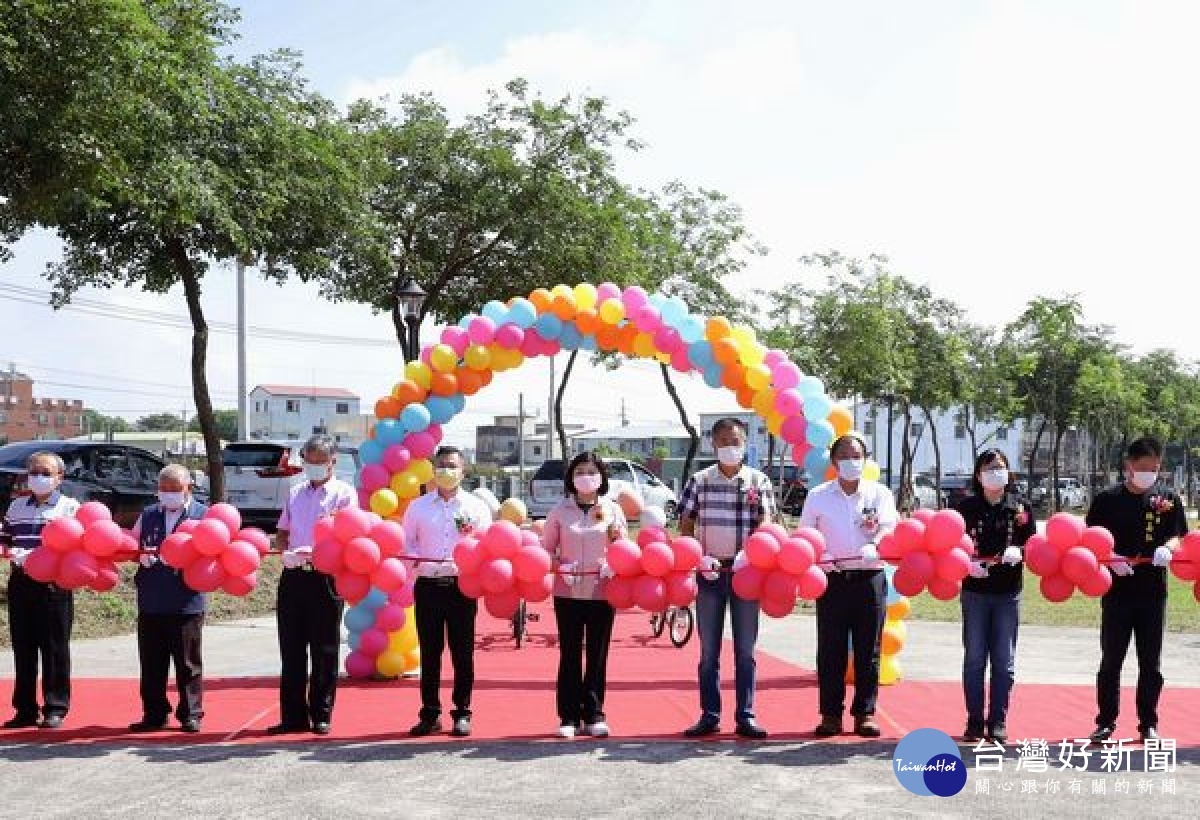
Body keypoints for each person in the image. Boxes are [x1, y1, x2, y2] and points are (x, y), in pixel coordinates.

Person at [678, 417, 778, 739]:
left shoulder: (758, 481)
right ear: (713, 444)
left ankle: (745, 716)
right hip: (709, 573)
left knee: (746, 650)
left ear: (745, 443)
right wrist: (698, 556)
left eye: (736, 441)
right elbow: (686, 523)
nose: (730, 448)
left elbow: (766, 522)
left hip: (746, 573)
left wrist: (750, 554)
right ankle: (709, 714)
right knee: (709, 651)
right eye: (724, 441)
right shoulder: (700, 480)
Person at [1085, 436, 1187, 743]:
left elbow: (1179, 535)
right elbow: (1089, 538)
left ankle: (1148, 723)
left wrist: (1168, 549)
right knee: (1112, 659)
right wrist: (1111, 558)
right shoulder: (1107, 499)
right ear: (1129, 466)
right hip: (1117, 591)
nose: (1150, 473)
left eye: (1155, 467)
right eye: (1143, 467)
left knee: (1150, 663)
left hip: (1153, 592)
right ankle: (1105, 722)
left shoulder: (1168, 497)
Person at [799, 432, 898, 738]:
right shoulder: (818, 495)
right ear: (833, 462)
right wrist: (822, 553)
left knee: (870, 649)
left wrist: (878, 544)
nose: (851, 462)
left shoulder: (879, 494)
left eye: (856, 457)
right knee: (831, 649)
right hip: (832, 580)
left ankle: (864, 714)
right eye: (844, 456)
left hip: (869, 578)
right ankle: (830, 714)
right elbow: (805, 532)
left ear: (865, 460)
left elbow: (890, 525)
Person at [268, 434, 357, 736]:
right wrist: (284, 553)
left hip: (326, 577)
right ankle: (292, 716)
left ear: (334, 462)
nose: (315, 467)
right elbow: (282, 531)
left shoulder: (344, 494)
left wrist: (323, 556)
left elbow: (349, 535)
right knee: (291, 649)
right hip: (294, 576)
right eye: (310, 461)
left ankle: (321, 713)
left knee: (324, 649)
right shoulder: (294, 493)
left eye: (321, 462)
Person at [402, 446, 492, 737]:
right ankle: (430, 713)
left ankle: (462, 712)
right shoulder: (418, 507)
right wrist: (419, 563)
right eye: (441, 465)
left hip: (461, 586)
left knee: (462, 653)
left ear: (463, 471)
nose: (446, 471)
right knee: (430, 653)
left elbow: (486, 546)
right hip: (428, 586)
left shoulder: (475, 507)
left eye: (452, 465)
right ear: (433, 469)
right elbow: (407, 543)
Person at [543, 451, 627, 738]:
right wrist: (558, 566)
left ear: (601, 476)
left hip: (602, 592)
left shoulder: (613, 510)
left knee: (597, 653)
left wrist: (612, 565)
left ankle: (594, 713)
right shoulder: (559, 512)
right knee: (569, 654)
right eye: (579, 472)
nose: (586, 477)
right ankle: (568, 716)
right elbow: (544, 551)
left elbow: (623, 548)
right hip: (566, 592)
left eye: (591, 471)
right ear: (571, 477)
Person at [954, 450, 1035, 743]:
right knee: (975, 658)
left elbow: (1033, 544)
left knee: (1004, 660)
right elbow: (951, 545)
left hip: (1008, 592)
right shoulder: (965, 508)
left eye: (1000, 467)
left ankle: (998, 720)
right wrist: (967, 564)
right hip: (975, 591)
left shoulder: (1020, 506)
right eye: (989, 468)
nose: (995, 473)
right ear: (978, 475)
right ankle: (974, 720)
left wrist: (1020, 550)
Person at [2, 451, 81, 730]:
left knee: (54, 648)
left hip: (54, 586)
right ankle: (24, 709)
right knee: (23, 647)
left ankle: (55, 707)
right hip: (21, 583)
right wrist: (11, 552)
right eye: (34, 472)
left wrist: (42, 556)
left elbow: (77, 549)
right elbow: (4, 539)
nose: (38, 477)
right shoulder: (16, 506)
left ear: (59, 477)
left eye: (46, 473)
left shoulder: (70, 508)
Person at [128, 464, 209, 733]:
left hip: (186, 599)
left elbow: (213, 552)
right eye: (164, 489)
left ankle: (191, 713)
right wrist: (139, 554)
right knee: (152, 662)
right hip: (152, 597)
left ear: (189, 488)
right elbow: (131, 544)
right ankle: (154, 712)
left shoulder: (203, 514)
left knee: (187, 662)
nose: (169, 494)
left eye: (176, 489)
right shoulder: (149, 514)